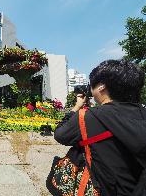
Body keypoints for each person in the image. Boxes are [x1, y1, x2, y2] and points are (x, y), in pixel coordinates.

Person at [54, 60, 146, 196]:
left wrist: (76, 107)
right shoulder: (142, 113)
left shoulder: (89, 117)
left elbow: (60, 134)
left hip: (104, 189)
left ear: (101, 86)